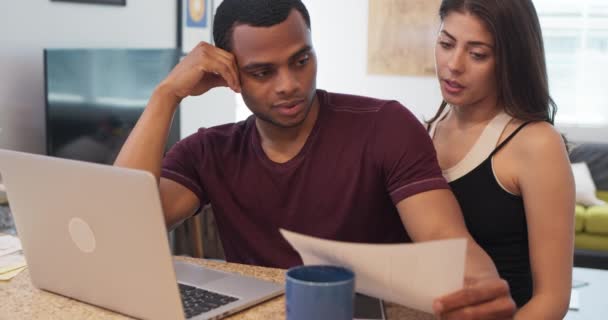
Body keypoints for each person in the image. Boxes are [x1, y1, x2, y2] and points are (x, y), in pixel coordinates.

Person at [115, 0, 514, 318]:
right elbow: (124, 227)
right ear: (228, 73)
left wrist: (478, 288)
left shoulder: (385, 126)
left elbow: (448, 242)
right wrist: (165, 95)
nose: (289, 85)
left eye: (301, 61)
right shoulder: (209, 151)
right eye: (262, 72)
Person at [427, 0, 575, 318]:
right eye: (446, 43)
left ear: (511, 60)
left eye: (477, 53)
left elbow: (552, 298)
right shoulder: (424, 132)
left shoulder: (536, 144)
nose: (454, 64)